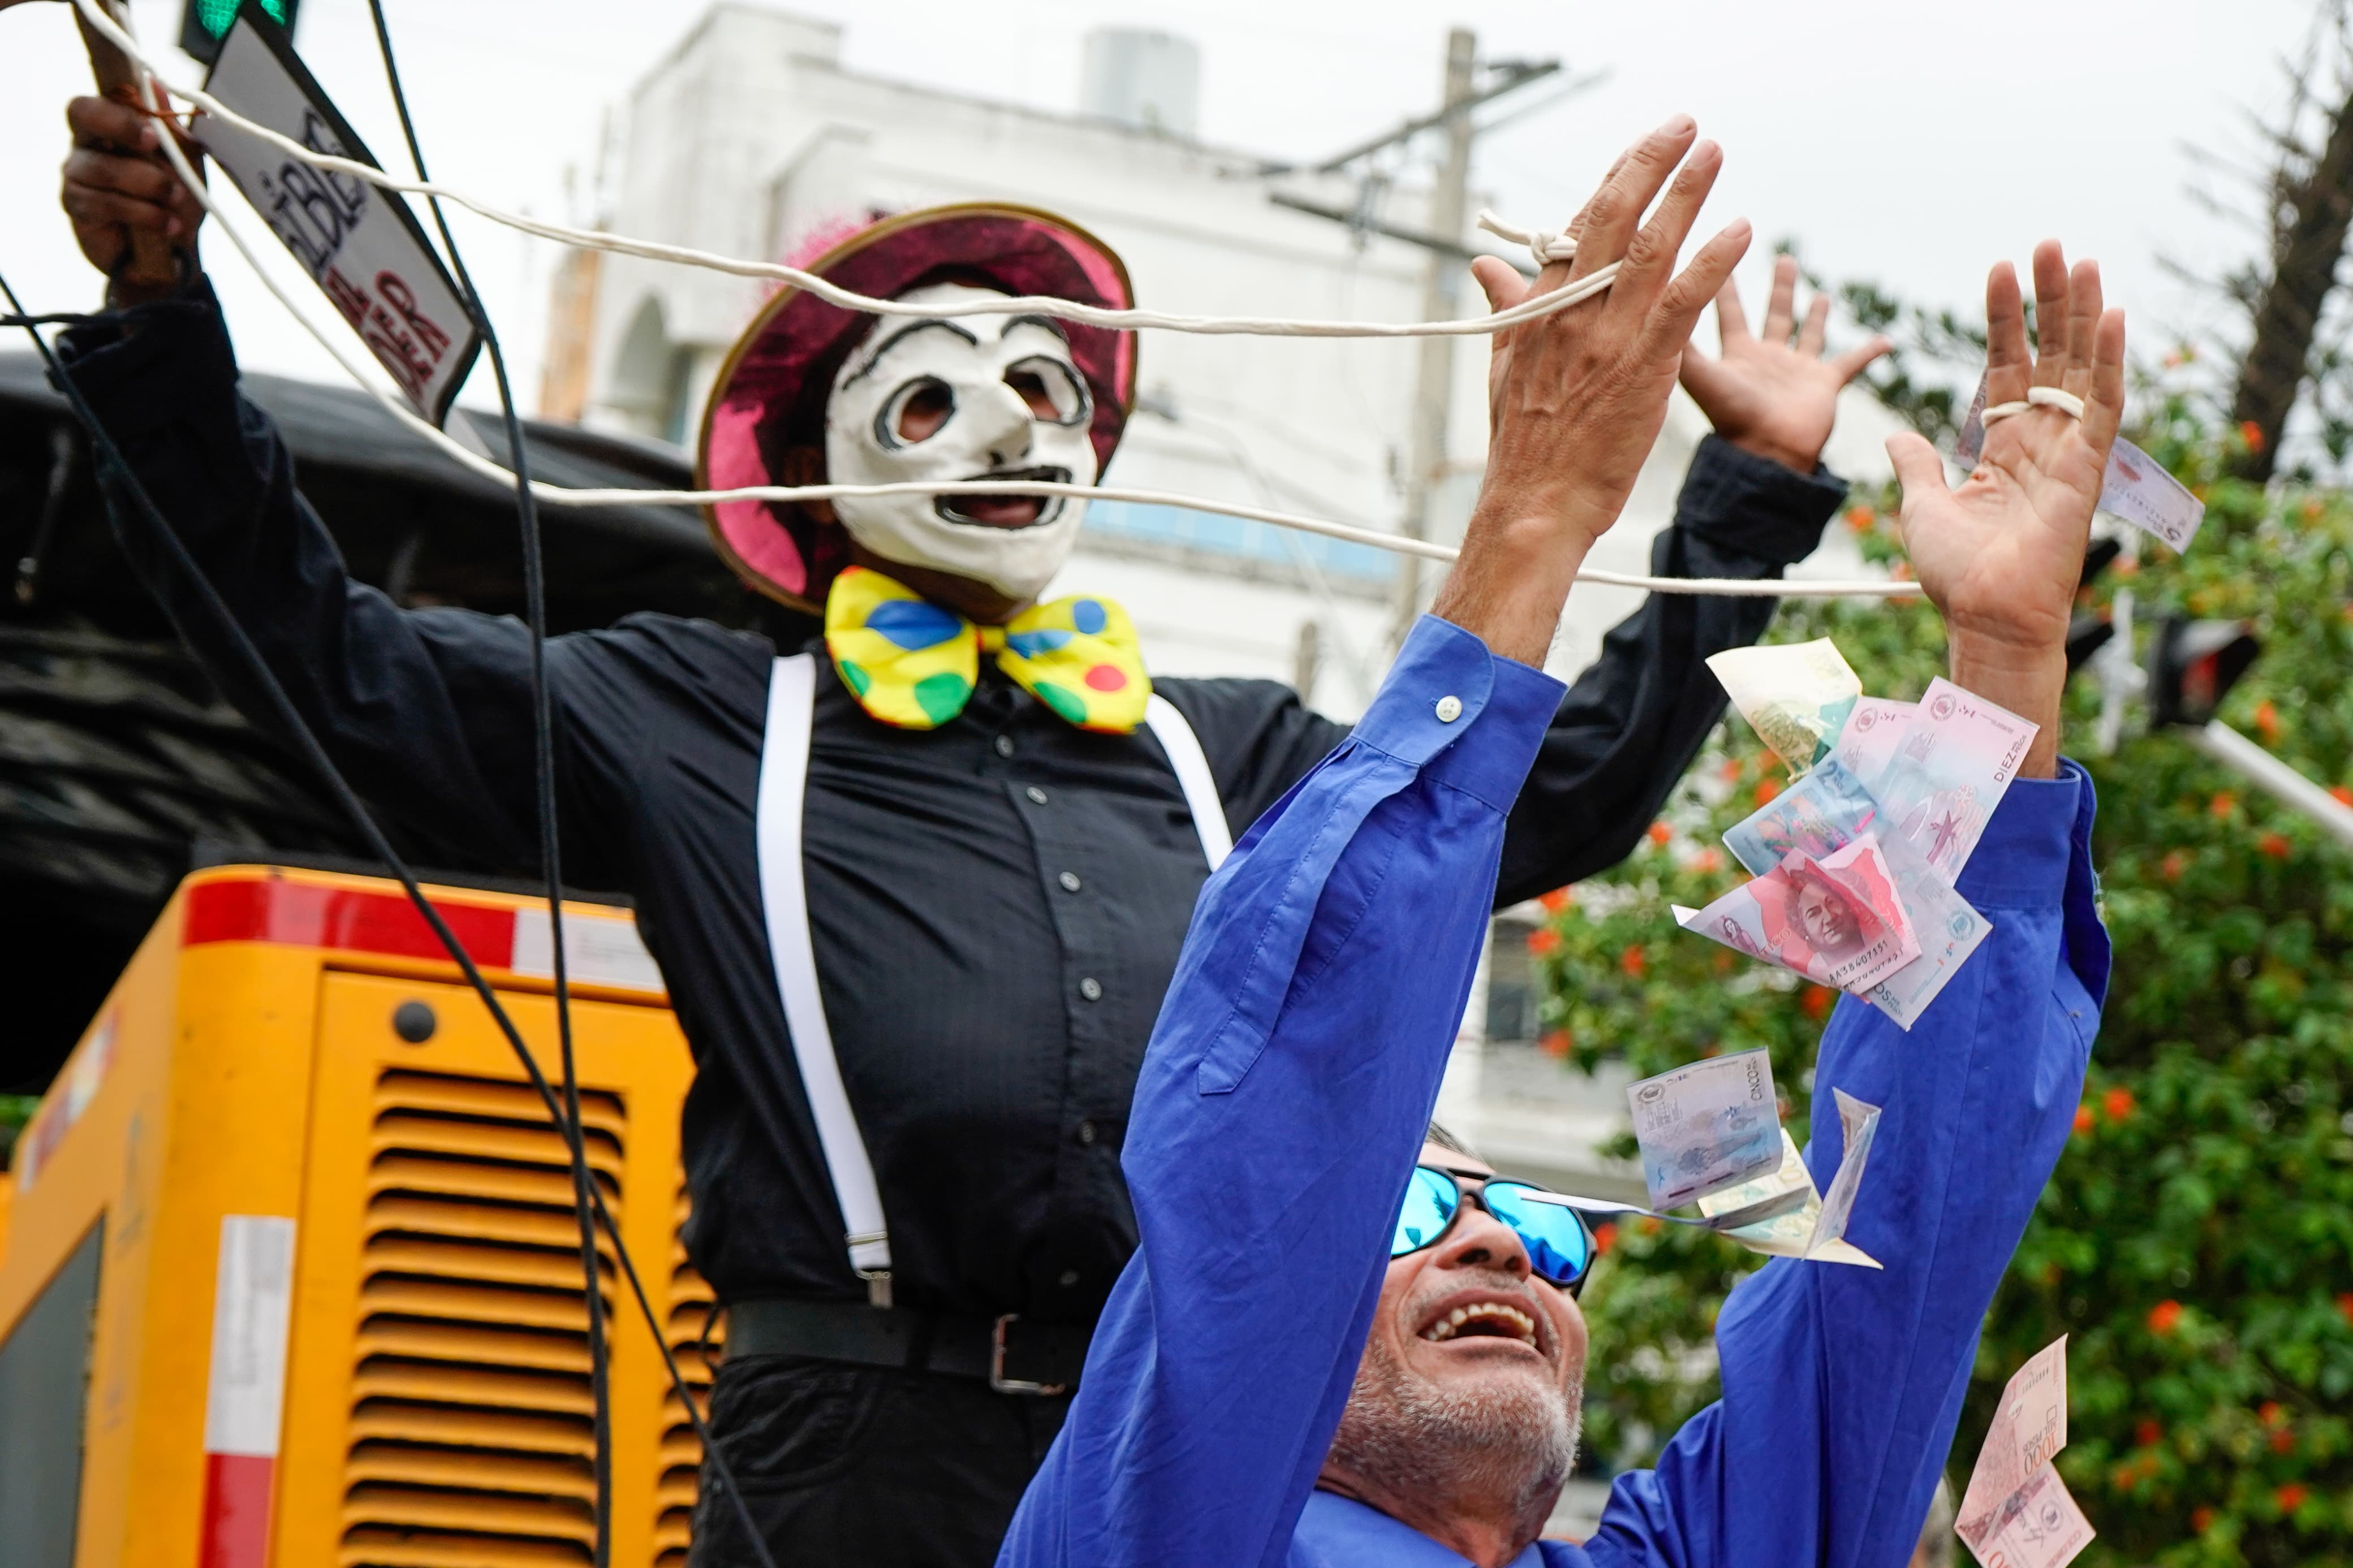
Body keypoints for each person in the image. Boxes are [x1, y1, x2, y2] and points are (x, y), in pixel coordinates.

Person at [58, 92, 1887, 1567]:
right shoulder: (697, 712)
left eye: (1041, 384)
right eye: (927, 392)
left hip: (1180, 1439)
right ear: (827, 462)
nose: (1002, 423)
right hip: (850, 1454)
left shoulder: (1215, 739)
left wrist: (1754, 493)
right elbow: (319, 651)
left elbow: (1535, 794)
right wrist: (156, 325)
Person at [999, 118, 2118, 1568]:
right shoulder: (1155, 1528)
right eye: (1408, 1208)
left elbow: (1896, 1248)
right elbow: (1280, 1127)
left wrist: (2003, 667)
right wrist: (1533, 515)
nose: (1504, 1245)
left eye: (1541, 1219)